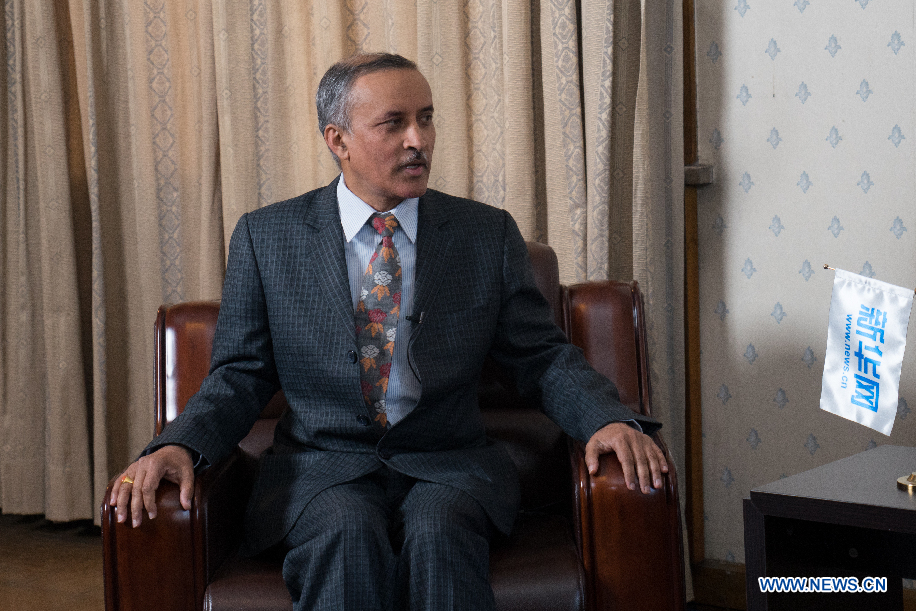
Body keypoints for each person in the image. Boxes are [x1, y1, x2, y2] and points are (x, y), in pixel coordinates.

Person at [110, 52, 668, 610]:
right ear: (339, 140)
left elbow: (540, 357)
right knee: (346, 533)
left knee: (439, 532)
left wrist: (606, 419)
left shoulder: (484, 234)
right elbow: (240, 374)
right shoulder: (268, 238)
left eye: (426, 118)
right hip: (323, 468)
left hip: (447, 464)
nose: (417, 140)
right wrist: (181, 444)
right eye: (393, 123)